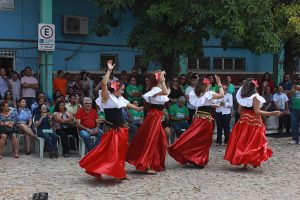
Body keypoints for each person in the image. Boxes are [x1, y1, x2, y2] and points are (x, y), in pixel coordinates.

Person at [80, 60, 142, 180]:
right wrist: (109, 70)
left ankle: (119, 172)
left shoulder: (120, 98)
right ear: (116, 88)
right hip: (111, 130)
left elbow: (129, 104)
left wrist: (139, 107)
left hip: (121, 129)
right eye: (122, 89)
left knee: (121, 151)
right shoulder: (106, 97)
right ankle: (105, 170)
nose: (123, 91)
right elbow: (104, 84)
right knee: (109, 152)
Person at [168, 75, 224, 167]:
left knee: (194, 137)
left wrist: (212, 106)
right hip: (205, 120)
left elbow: (203, 104)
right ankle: (198, 159)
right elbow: (221, 95)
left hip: (198, 118)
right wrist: (219, 84)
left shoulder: (197, 93)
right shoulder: (208, 94)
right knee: (204, 140)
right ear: (207, 85)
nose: (209, 85)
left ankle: (193, 157)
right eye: (209, 84)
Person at [224, 79, 281, 168]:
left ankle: (243, 161)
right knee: (253, 142)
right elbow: (257, 111)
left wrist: (245, 113)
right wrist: (272, 113)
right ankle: (248, 161)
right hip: (254, 122)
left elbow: (239, 111)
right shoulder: (256, 97)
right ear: (254, 87)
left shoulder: (242, 96)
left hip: (243, 121)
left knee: (243, 141)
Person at [127, 70, 169, 174]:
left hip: (156, 116)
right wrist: (163, 79)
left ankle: (155, 163)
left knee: (160, 140)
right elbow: (164, 92)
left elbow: (165, 93)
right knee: (151, 140)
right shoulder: (154, 89)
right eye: (161, 78)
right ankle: (147, 165)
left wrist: (163, 81)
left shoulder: (156, 89)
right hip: (154, 117)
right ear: (158, 79)